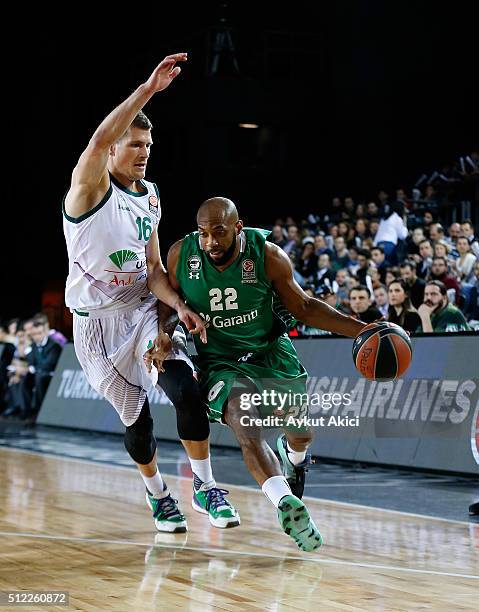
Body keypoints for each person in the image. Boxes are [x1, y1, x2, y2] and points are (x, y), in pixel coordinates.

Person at [63, 54, 239, 534]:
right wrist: (148, 88)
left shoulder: (151, 195)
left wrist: (179, 306)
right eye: (135, 144)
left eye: (148, 144)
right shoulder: (88, 189)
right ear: (114, 148)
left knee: (186, 390)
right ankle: (158, 494)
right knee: (138, 425)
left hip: (142, 309)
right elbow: (98, 139)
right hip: (97, 325)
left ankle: (205, 486)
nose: (143, 152)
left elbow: (156, 268)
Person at [163, 198, 367, 552]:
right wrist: (166, 332)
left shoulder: (267, 255)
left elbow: (302, 307)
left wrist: (362, 329)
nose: (210, 242)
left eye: (219, 233)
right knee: (246, 422)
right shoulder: (182, 255)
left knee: (301, 433)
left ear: (238, 228)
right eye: (204, 233)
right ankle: (285, 504)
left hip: (271, 353)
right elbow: (166, 305)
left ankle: (294, 456)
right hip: (222, 361)